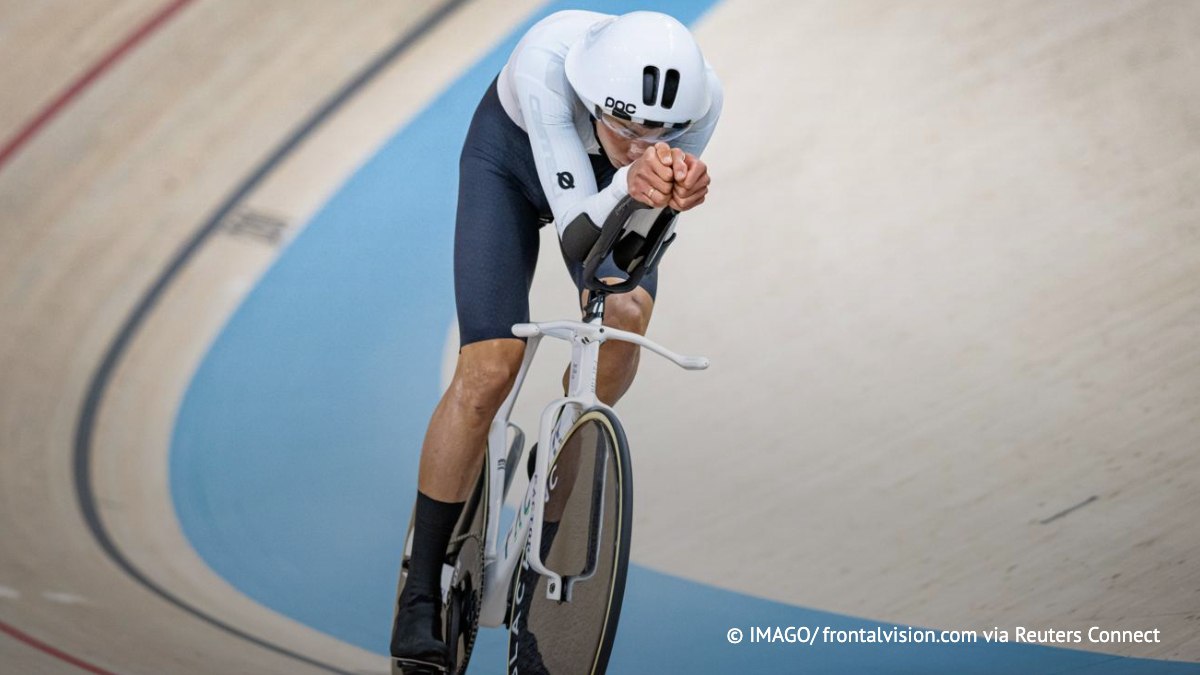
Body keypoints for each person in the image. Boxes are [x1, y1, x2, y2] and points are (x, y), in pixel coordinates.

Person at [390, 9, 722, 667]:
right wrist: (632, 178)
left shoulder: (702, 101)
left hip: (605, 192)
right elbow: (576, 233)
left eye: (660, 133)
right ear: (594, 96)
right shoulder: (548, 64)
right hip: (509, 164)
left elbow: (613, 262)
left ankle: (560, 480)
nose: (640, 142)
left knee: (625, 311)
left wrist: (664, 193)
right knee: (490, 365)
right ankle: (420, 591)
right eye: (625, 127)